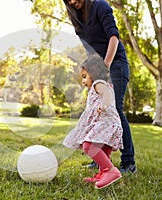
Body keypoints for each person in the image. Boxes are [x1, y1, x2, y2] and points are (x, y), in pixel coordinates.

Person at [63, 0, 136, 173]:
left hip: (115, 63)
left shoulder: (100, 6)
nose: (73, 1)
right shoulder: (77, 19)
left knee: (114, 109)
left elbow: (113, 37)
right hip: (97, 68)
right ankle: (101, 159)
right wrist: (90, 72)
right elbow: (90, 49)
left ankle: (128, 163)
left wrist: (105, 66)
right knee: (97, 111)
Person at [63, 54, 123, 189]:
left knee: (88, 145)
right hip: (108, 123)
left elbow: (107, 94)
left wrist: (104, 105)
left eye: (85, 76)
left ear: (94, 73)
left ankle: (111, 171)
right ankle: (104, 173)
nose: (83, 81)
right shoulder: (96, 86)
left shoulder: (98, 84)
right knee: (103, 149)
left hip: (106, 122)